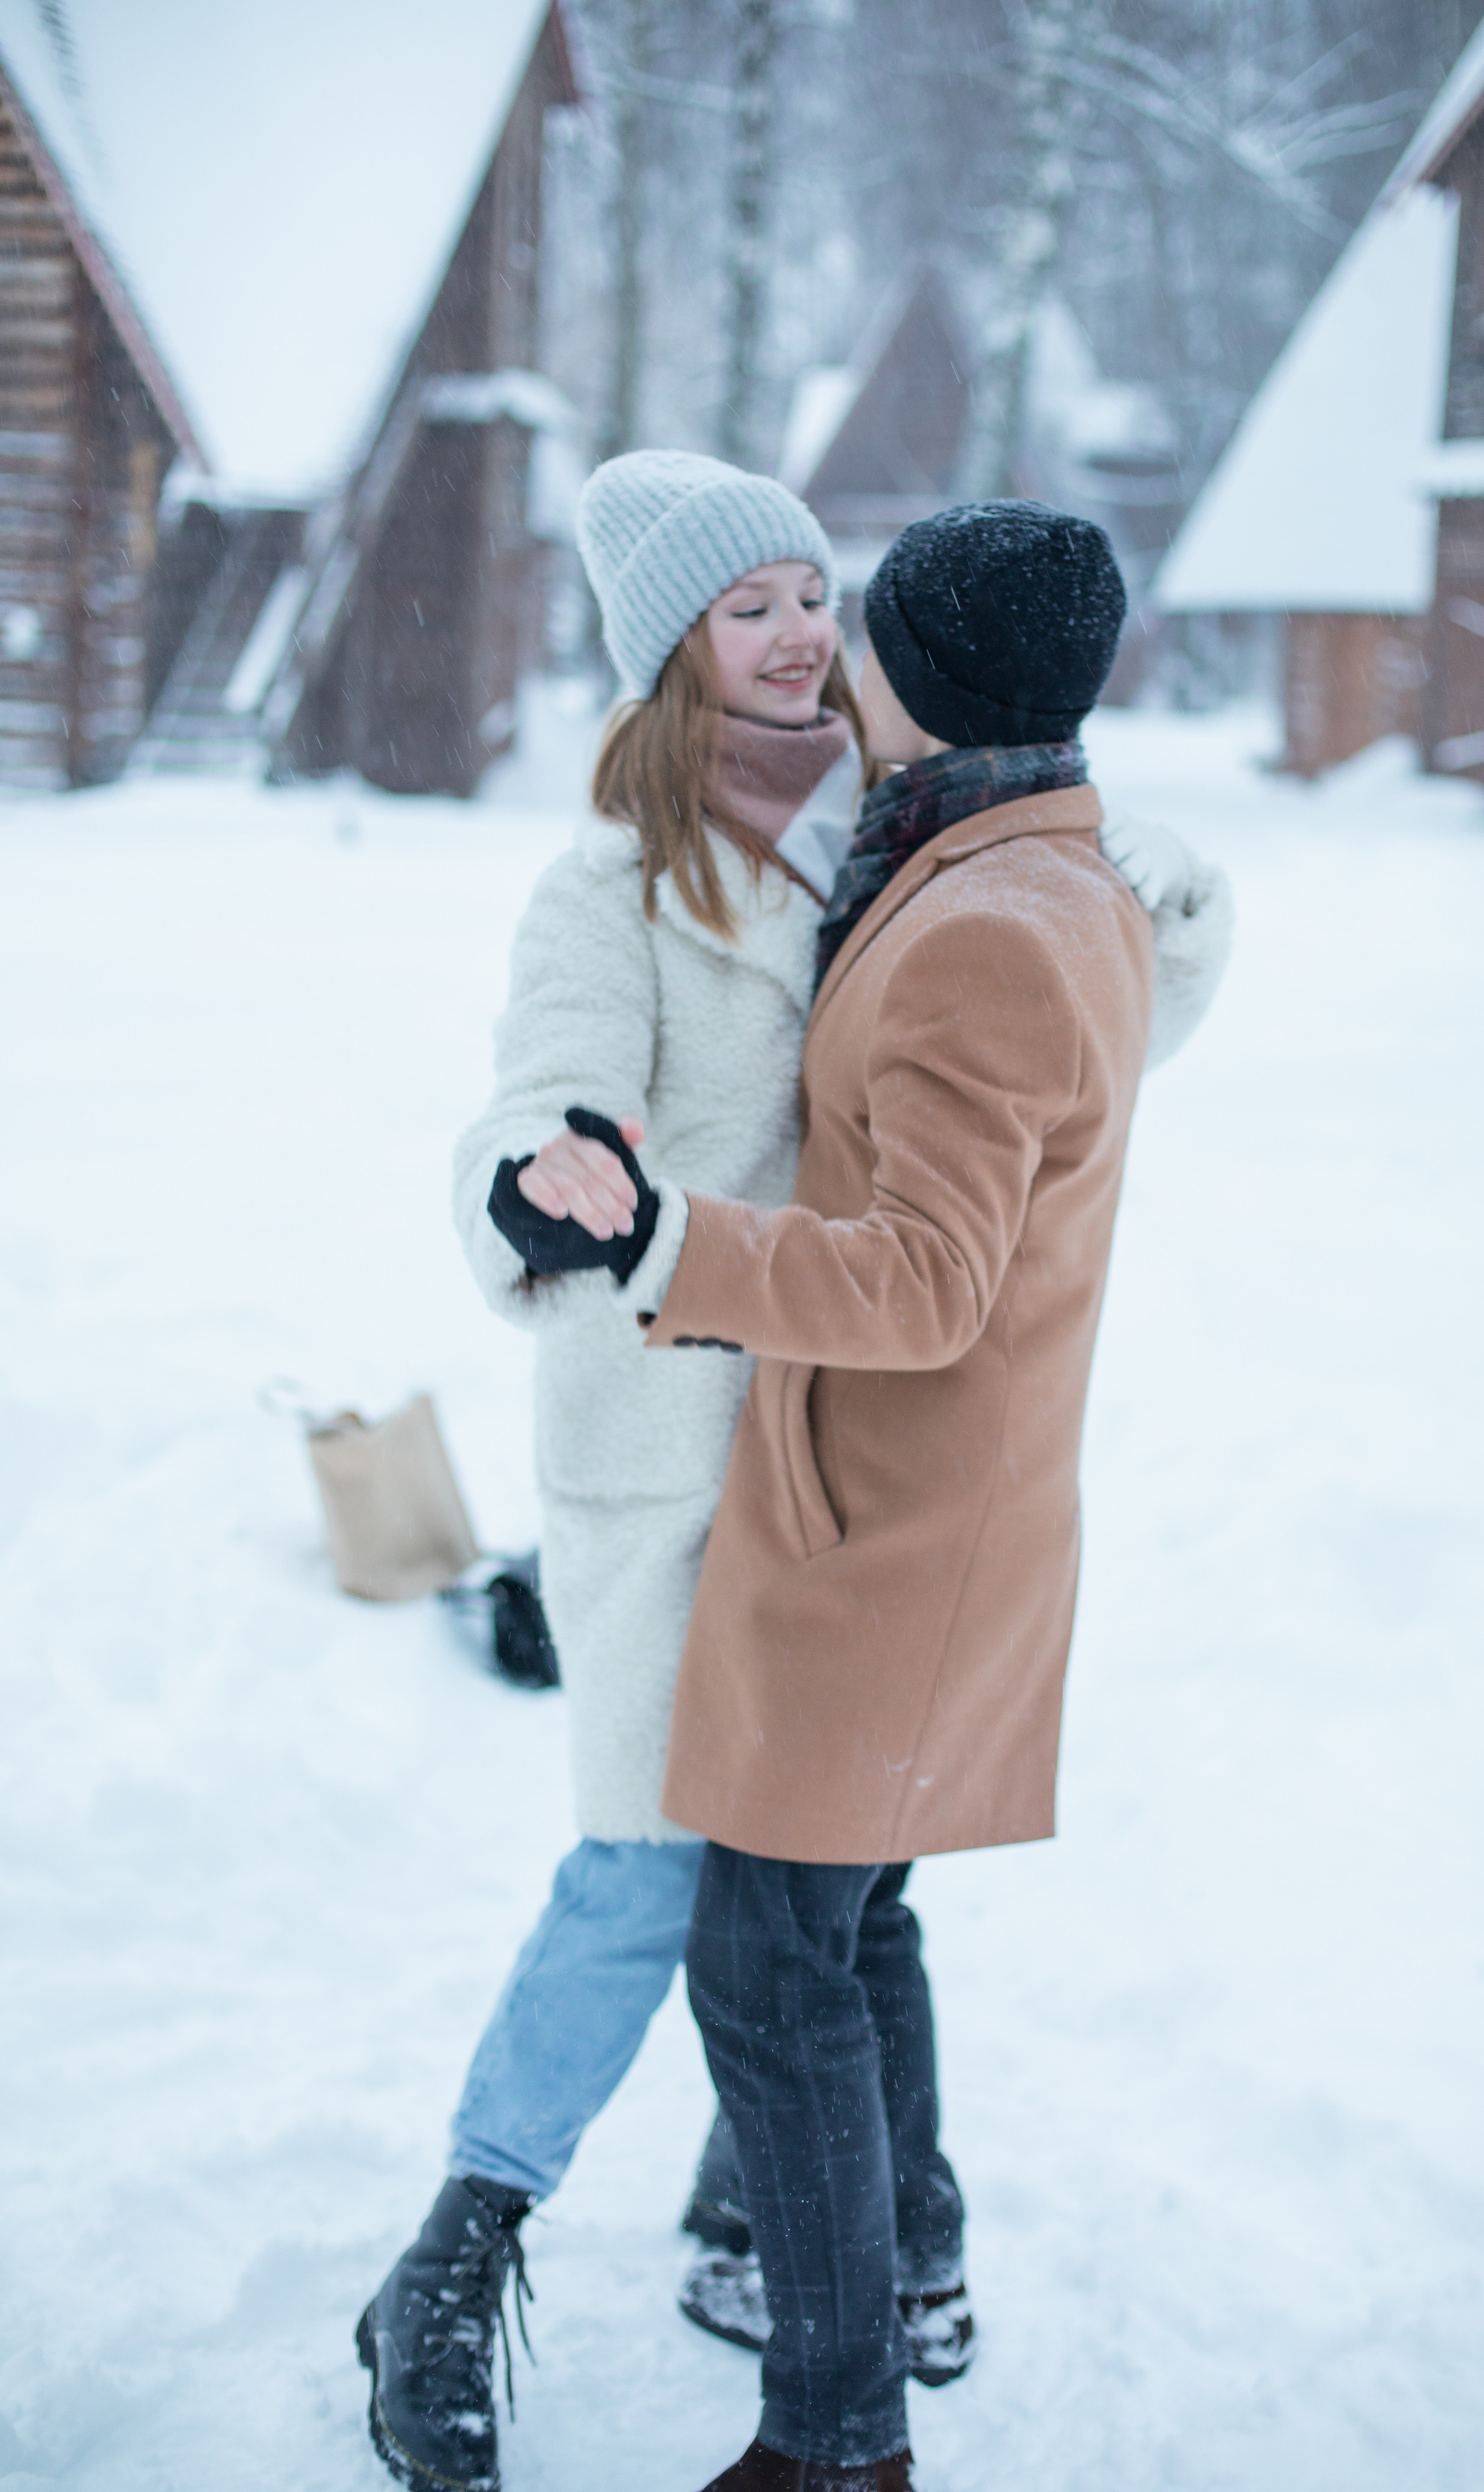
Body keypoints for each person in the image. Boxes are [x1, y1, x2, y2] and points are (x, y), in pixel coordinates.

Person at [356, 456, 1231, 2492]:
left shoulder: (906, 824)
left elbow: (1020, 1076)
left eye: (814, 590)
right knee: (654, 1891)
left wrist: (1150, 915)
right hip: (680, 1465)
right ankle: (451, 2257)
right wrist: (551, 1174)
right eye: (745, 604)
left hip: (852, 1466)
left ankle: (846, 2242)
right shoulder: (611, 886)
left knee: (835, 1896)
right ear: (668, 649)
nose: (796, 631)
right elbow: (542, 1090)